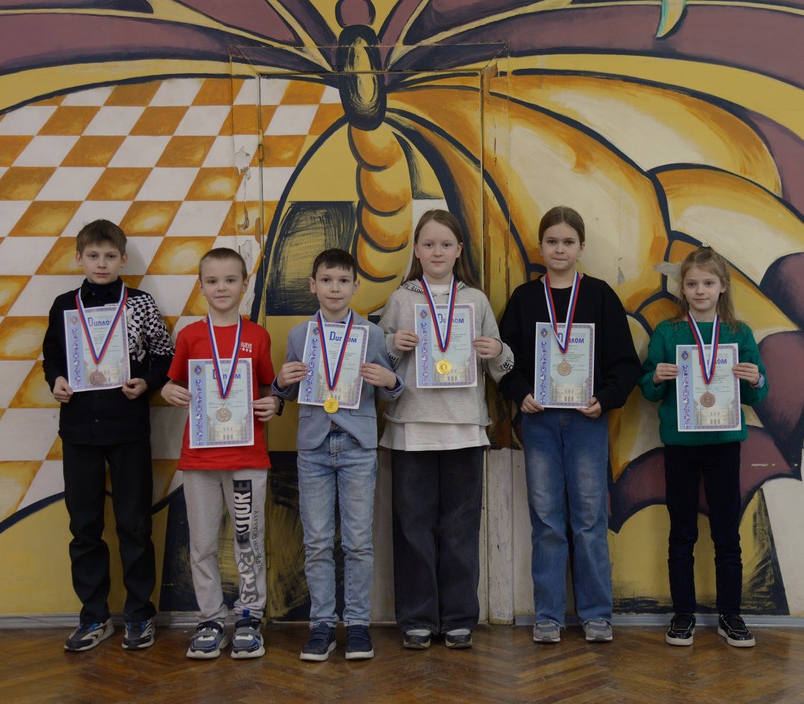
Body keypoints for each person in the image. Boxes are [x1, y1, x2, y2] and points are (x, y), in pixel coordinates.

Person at [498, 205, 640, 644]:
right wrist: (520, 392)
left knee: (589, 519)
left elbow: (625, 363)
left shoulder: (599, 296)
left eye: (568, 242)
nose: (559, 249)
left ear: (581, 247)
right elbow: (504, 358)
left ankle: (596, 614)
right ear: (540, 246)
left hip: (586, 421)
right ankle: (548, 615)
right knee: (546, 520)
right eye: (552, 242)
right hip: (538, 420)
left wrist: (606, 400)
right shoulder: (525, 298)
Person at [377, 210, 513, 650]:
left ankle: (458, 618)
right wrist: (392, 344)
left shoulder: (475, 300)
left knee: (460, 527)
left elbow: (501, 368)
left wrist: (496, 350)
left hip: (464, 427)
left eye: (446, 244)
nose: (437, 251)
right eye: (429, 244)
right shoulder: (401, 299)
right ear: (416, 251)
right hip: (411, 426)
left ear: (459, 251)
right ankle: (417, 619)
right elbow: (377, 364)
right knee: (412, 527)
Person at [42, 219, 174, 652]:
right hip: (79, 429)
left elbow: (165, 355)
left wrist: (147, 383)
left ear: (123, 259)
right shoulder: (65, 305)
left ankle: (139, 614)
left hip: (128, 427)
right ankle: (94, 615)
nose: (102, 264)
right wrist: (57, 380)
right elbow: (51, 356)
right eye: (93, 256)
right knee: (84, 527)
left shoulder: (140, 303)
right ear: (79, 259)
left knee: (134, 524)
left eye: (110, 256)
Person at [272, 248, 403, 662]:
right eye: (326, 280)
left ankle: (358, 624)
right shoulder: (299, 336)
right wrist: (281, 382)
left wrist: (390, 380)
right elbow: (287, 390)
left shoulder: (372, 335)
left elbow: (390, 391)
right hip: (313, 447)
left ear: (355, 286)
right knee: (316, 542)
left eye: (343, 281)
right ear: (313, 285)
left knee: (358, 542)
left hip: (357, 446)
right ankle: (322, 625)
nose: (334, 288)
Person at [638, 245, 768, 648]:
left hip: (724, 444)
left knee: (726, 532)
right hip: (680, 444)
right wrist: (656, 377)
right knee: (682, 531)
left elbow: (757, 395)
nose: (700, 291)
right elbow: (647, 389)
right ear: (682, 288)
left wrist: (756, 379)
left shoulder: (738, 334)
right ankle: (683, 614)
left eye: (708, 283)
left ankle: (731, 614)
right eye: (692, 284)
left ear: (722, 286)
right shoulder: (668, 332)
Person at [161, 247, 279, 660]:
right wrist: (167, 390)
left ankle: (249, 616)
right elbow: (174, 383)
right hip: (200, 461)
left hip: (247, 458)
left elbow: (267, 390)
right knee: (203, 545)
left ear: (244, 284)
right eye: (212, 281)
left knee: (249, 542)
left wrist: (274, 403)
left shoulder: (257, 336)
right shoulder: (190, 336)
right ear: (201, 286)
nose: (221, 288)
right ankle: (210, 618)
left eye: (230, 280)